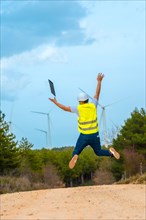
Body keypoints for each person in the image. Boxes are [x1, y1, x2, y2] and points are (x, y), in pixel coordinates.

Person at [49, 73, 120, 169]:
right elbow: (97, 94)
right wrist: (99, 81)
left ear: (79, 101)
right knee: (98, 152)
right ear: (87, 100)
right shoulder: (93, 105)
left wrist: (56, 102)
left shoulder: (78, 108)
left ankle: (75, 156)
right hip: (95, 135)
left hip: (84, 135)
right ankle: (110, 153)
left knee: (76, 150)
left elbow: (65, 108)